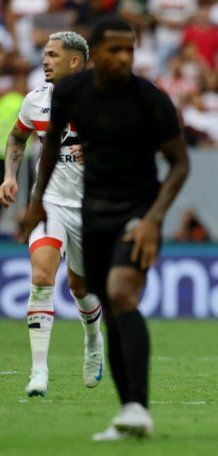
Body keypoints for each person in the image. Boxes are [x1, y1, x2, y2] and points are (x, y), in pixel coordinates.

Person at [20, 18, 190, 440]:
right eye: (115, 49)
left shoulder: (150, 98)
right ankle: (128, 409)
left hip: (136, 211)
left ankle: (138, 408)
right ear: (95, 52)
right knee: (107, 307)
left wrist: (154, 219)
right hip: (92, 212)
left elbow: (180, 164)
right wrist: (36, 201)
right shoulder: (71, 94)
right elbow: (50, 146)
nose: (124, 58)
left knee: (120, 293)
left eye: (130, 49)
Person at [0, 32, 105, 397]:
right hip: (48, 203)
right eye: (44, 54)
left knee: (80, 287)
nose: (44, 61)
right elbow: (17, 138)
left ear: (74, 62)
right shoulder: (36, 100)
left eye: (52, 55)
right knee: (42, 277)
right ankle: (38, 372)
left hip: (89, 208)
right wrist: (10, 176)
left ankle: (93, 339)